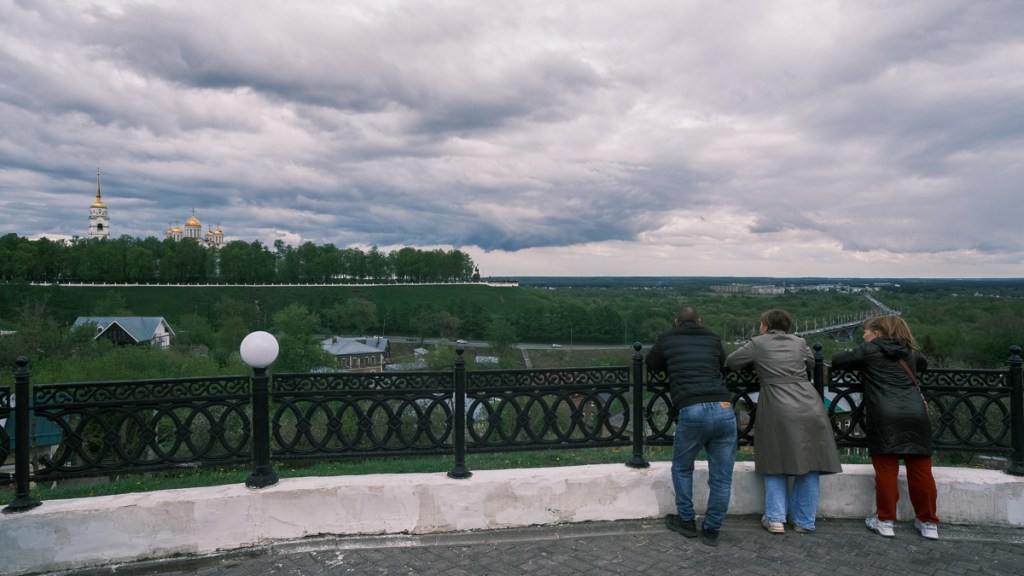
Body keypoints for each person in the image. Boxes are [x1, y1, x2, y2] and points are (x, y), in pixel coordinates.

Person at [725, 309, 842, 534]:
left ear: (766, 326)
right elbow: (811, 363)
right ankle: (804, 520)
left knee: (775, 459)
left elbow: (732, 362)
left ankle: (776, 518)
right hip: (809, 403)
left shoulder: (757, 343)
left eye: (761, 323)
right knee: (811, 462)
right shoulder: (800, 342)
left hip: (777, 404)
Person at [830, 315, 939, 540]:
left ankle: (886, 520)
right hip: (915, 414)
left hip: (884, 415)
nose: (863, 335)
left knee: (887, 472)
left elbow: (838, 361)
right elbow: (923, 365)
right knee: (921, 472)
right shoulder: (911, 352)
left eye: (866, 331)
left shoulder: (869, 349)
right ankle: (928, 522)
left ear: (877, 333)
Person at [646, 305, 736, 547]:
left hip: (692, 407)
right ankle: (711, 529)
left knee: (682, 468)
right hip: (723, 407)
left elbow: (651, 364)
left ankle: (686, 521)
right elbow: (721, 363)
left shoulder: (667, 338)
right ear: (699, 321)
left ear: (676, 322)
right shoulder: (713, 337)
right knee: (722, 478)